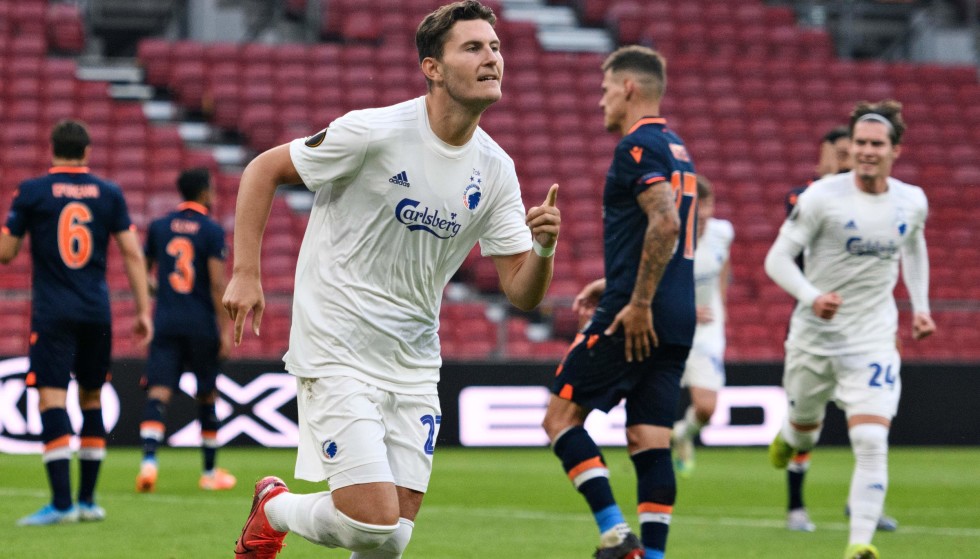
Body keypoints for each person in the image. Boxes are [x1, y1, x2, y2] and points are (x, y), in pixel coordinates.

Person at [222, 2, 561, 557]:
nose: (492, 58)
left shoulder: (496, 169)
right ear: (432, 67)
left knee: (391, 539)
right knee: (373, 523)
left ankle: (280, 511)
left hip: (414, 361)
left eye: (495, 48)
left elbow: (522, 291)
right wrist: (245, 273)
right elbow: (264, 168)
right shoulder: (373, 131)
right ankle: (275, 508)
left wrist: (543, 247)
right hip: (337, 345)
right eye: (473, 47)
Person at [541, 45, 697, 559]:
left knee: (560, 419)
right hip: (677, 318)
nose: (601, 100)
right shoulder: (676, 147)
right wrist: (611, 282)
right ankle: (652, 556)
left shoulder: (636, 147)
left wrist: (635, 301)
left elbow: (666, 222)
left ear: (629, 88)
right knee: (650, 440)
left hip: (638, 313)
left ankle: (615, 534)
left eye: (606, 88)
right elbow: (663, 236)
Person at [764, 100, 935, 559]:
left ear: (894, 150)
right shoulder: (821, 197)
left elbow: (914, 250)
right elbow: (776, 260)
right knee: (803, 435)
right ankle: (790, 435)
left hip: (873, 339)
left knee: (870, 438)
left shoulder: (911, 200)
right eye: (859, 142)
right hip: (814, 338)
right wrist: (811, 296)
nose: (866, 151)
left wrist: (920, 307)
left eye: (876, 143)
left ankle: (859, 543)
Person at [0, 119, 153, 525]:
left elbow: (6, 253)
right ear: (87, 152)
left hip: (53, 313)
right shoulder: (109, 193)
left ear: (52, 150)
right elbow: (133, 254)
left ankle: (63, 504)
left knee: (51, 398)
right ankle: (87, 501)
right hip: (95, 312)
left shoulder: (32, 192)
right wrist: (142, 310)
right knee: (91, 398)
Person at [781, 126, 897, 534]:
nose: (850, 159)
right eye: (841, 153)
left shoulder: (877, 201)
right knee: (805, 425)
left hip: (865, 330)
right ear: (822, 158)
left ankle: (862, 504)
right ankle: (796, 505)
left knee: (868, 425)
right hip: (817, 326)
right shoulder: (806, 199)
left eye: (854, 152)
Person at [135, 168, 236, 493]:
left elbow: (143, 270)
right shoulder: (211, 229)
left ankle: (149, 464)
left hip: (166, 320)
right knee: (206, 394)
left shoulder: (160, 226)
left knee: (158, 392)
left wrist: (157, 292)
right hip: (200, 323)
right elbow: (217, 283)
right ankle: (209, 473)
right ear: (205, 192)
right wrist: (225, 329)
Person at [670, 175, 733, 478]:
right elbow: (654, 285)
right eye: (699, 206)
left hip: (707, 328)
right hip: (671, 324)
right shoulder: (669, 237)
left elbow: (723, 266)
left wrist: (720, 301)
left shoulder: (723, 232)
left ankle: (682, 433)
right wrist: (686, 309)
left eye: (709, 204)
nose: (705, 213)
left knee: (707, 409)